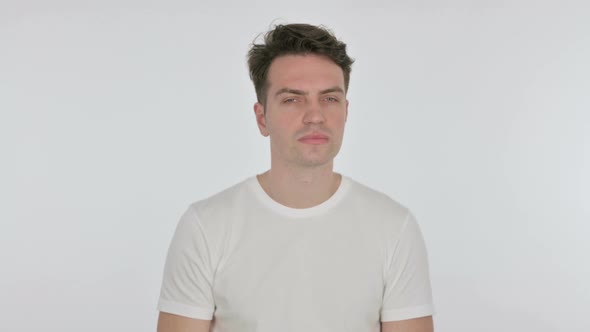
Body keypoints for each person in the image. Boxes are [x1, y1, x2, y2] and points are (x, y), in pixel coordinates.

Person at [157, 23, 435, 332]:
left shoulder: (394, 228)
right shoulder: (205, 227)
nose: (315, 115)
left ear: (346, 111)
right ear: (262, 117)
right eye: (292, 99)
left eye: (329, 99)